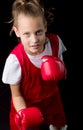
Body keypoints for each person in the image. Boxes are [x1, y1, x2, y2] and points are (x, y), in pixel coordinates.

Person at [2, 0, 68, 130]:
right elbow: (16, 95)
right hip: (27, 105)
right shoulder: (15, 60)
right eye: (27, 34)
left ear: (45, 26)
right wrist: (23, 112)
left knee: (59, 125)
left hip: (52, 100)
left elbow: (64, 72)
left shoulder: (55, 42)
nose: (34, 40)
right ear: (17, 32)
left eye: (38, 32)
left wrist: (61, 70)